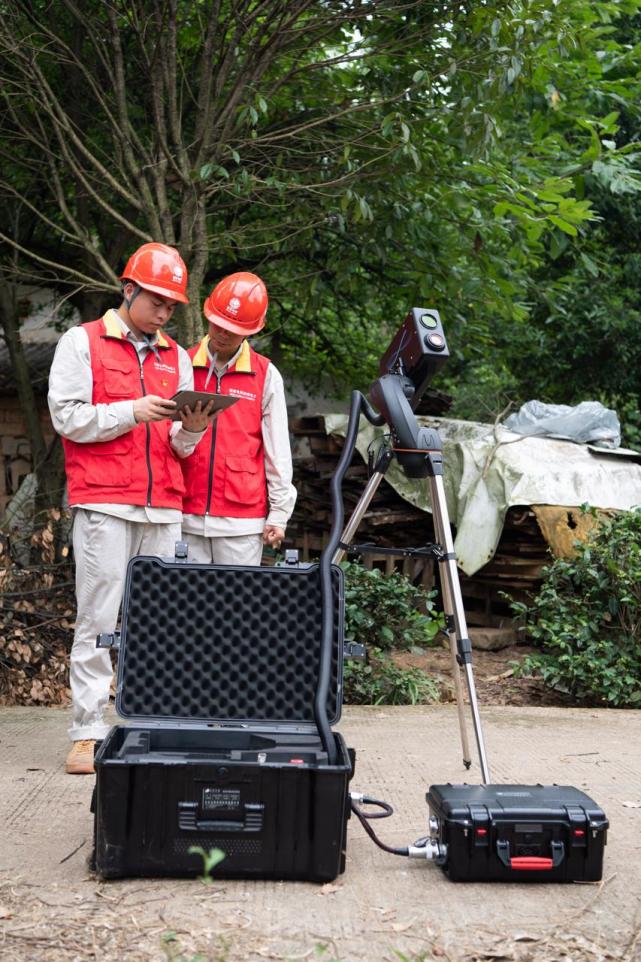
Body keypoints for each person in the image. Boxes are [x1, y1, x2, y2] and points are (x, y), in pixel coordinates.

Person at [48, 242, 216, 775]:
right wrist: (131, 411)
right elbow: (68, 417)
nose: (165, 313)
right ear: (128, 290)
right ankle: (88, 732)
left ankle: (153, 721)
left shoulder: (175, 357)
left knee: (161, 621)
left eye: (172, 306)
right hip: (104, 503)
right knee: (98, 618)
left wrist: (191, 431)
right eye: (157, 301)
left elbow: (178, 446)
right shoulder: (82, 342)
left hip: (163, 507)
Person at [180, 272, 296, 566]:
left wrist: (279, 513)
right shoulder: (181, 363)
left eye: (232, 329)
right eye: (217, 324)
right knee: (182, 610)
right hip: (183, 514)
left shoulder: (265, 375)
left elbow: (278, 452)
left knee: (234, 611)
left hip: (241, 522)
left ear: (253, 330)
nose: (221, 333)